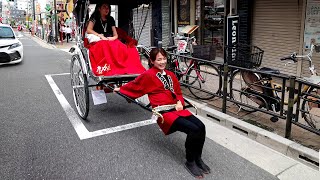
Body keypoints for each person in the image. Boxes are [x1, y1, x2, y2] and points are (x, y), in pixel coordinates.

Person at [114, 48, 211, 178]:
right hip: (163, 112)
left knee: (201, 127)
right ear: (152, 61)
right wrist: (121, 89)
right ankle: (190, 161)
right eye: (159, 59)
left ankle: (198, 157)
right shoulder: (148, 75)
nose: (162, 62)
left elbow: (178, 92)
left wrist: (179, 102)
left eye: (164, 59)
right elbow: (134, 85)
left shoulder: (171, 74)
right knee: (193, 130)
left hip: (176, 108)